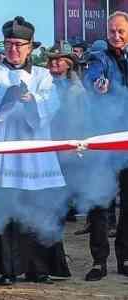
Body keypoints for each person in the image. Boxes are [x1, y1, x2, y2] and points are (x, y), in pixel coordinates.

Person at [0, 16, 70, 286]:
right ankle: (8, 269)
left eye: (19, 44)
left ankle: (38, 268)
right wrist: (11, 94)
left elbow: (51, 106)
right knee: (6, 212)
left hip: (35, 158)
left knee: (38, 211)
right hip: (3, 156)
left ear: (30, 47)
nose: (13, 49)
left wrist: (32, 101)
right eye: (8, 44)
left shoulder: (42, 75)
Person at [83, 10, 128, 280]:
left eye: (121, 31)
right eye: (112, 31)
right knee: (100, 201)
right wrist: (97, 87)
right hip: (103, 143)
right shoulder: (99, 58)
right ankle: (99, 261)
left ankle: (125, 258)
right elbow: (91, 79)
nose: (116, 35)